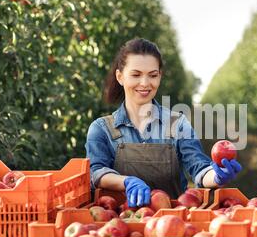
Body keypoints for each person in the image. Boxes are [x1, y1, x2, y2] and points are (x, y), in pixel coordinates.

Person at [85, 38, 242, 207]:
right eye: (136, 75)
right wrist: (126, 181)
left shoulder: (178, 124)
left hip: (173, 223)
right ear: (120, 77)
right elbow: (95, 172)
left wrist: (217, 175)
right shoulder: (102, 129)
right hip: (120, 223)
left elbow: (199, 168)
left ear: (159, 77)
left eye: (152, 75)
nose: (145, 83)